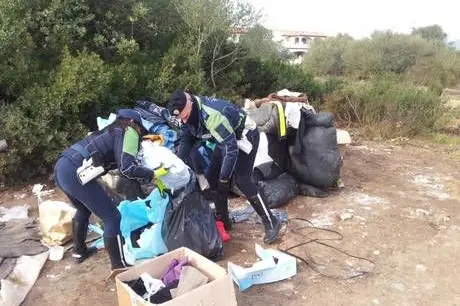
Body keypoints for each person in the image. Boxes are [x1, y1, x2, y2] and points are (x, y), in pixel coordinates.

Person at [54, 109, 166, 274]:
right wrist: (152, 175)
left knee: (83, 209)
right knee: (112, 217)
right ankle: (119, 267)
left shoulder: (111, 130)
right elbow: (126, 168)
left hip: (62, 167)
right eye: (141, 130)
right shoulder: (129, 130)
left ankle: (79, 251)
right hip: (74, 172)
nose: (140, 134)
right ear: (134, 123)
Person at [167, 90, 281, 244]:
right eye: (181, 118)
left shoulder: (212, 115)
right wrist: (177, 164)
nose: (184, 121)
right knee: (212, 178)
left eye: (186, 116)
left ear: (191, 104)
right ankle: (224, 220)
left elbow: (231, 148)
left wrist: (225, 178)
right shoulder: (185, 116)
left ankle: (271, 221)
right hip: (224, 139)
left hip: (244, 137)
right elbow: (187, 140)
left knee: (242, 180)